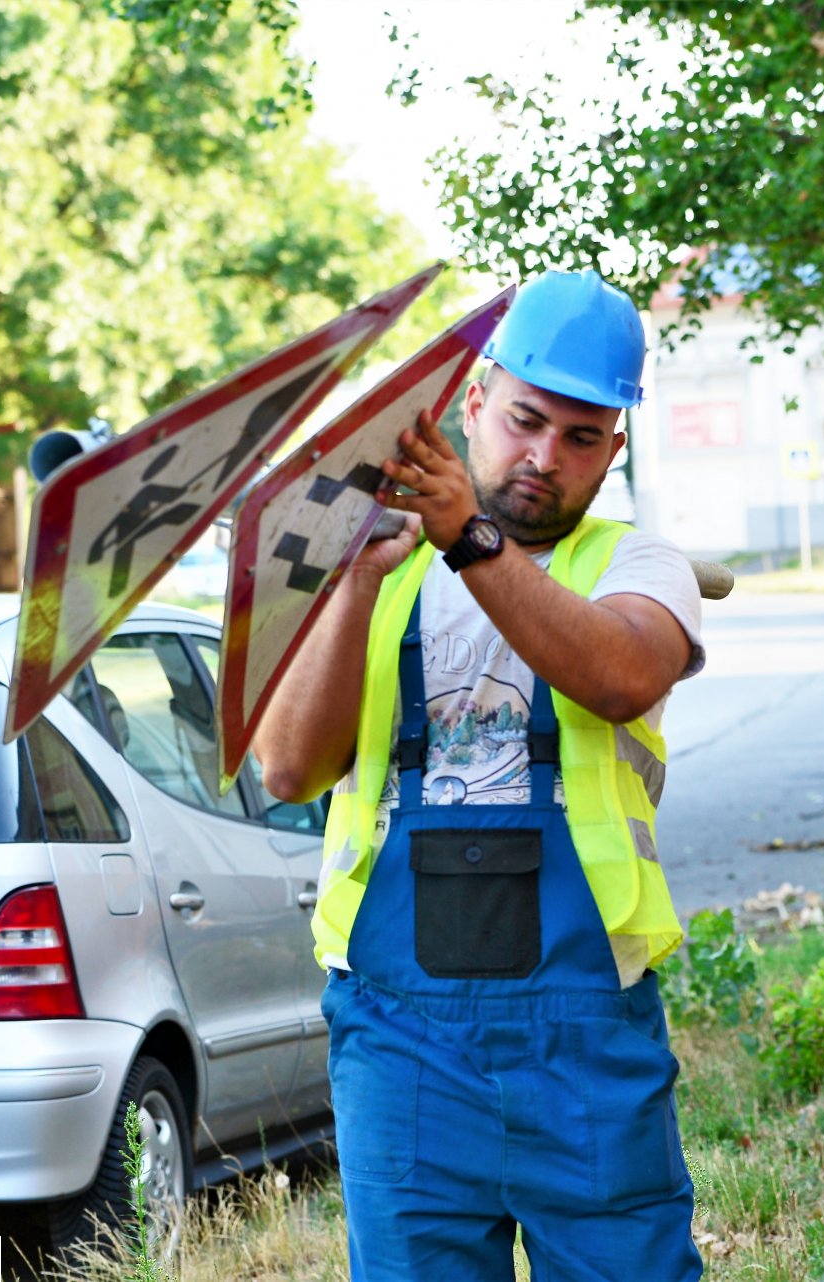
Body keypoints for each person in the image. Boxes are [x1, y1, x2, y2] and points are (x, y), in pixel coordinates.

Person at [253, 270, 705, 1281]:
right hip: (400, 1040)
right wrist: (357, 580)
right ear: (474, 405)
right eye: (526, 420)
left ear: (614, 449)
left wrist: (469, 537)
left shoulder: (641, 565)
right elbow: (288, 766)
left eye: (581, 437)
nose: (545, 457)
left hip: (586, 1039)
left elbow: (620, 674)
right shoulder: (379, 563)